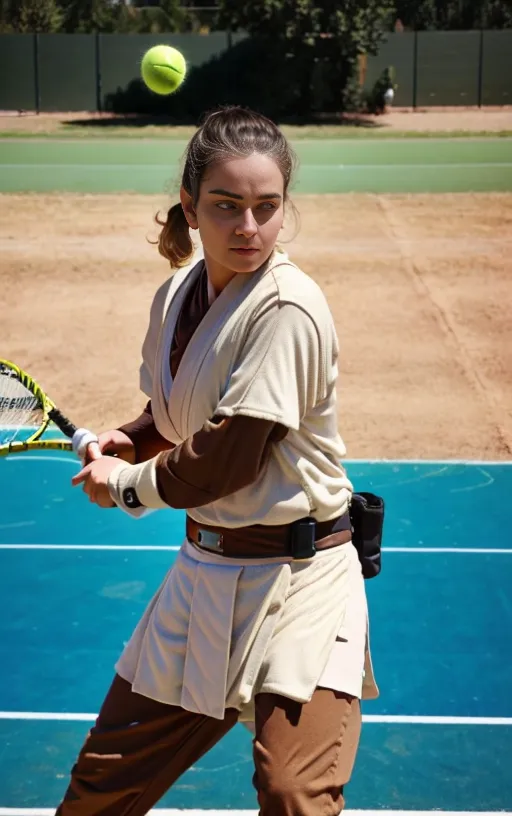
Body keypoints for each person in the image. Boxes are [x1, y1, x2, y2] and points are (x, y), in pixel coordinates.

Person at [60, 105, 378, 816]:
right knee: (102, 786)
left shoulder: (287, 308)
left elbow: (230, 454)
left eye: (267, 208)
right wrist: (130, 439)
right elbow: (178, 417)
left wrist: (129, 488)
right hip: (205, 577)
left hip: (302, 582)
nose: (248, 227)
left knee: (295, 792)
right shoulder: (175, 295)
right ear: (191, 206)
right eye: (227, 206)